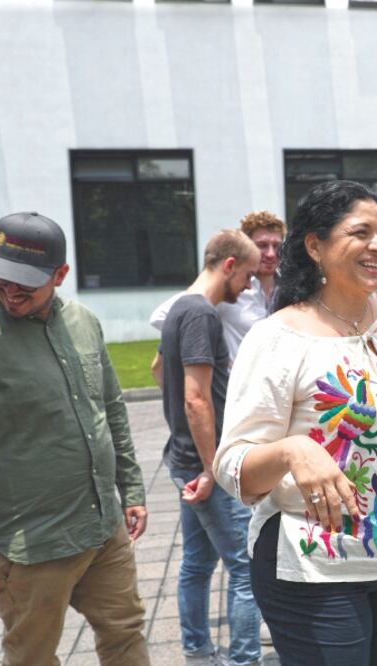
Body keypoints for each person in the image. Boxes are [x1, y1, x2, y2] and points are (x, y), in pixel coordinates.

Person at [212, 180, 377, 665]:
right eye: (360, 232)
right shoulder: (279, 339)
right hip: (314, 567)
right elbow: (232, 465)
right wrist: (292, 451)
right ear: (315, 246)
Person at [0, 212, 150, 664]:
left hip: (103, 528)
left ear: (61, 274)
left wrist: (132, 488)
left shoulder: (82, 321)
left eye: (26, 282)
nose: (10, 291)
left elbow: (111, 409)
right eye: (1, 279)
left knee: (125, 632)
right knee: (33, 657)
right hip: (31, 545)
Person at [161, 230, 263, 666]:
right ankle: (245, 660)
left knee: (197, 565)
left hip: (184, 459)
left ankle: (198, 653)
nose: (249, 287)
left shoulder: (179, 306)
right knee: (245, 568)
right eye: (247, 276)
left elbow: (158, 371)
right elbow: (195, 397)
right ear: (228, 265)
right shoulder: (202, 314)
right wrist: (213, 468)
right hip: (207, 468)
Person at [150, 210, 286, 375]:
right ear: (248, 246)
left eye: (277, 246)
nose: (271, 254)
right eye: (262, 245)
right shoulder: (232, 289)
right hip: (234, 392)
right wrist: (215, 360)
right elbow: (162, 317)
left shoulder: (289, 290)